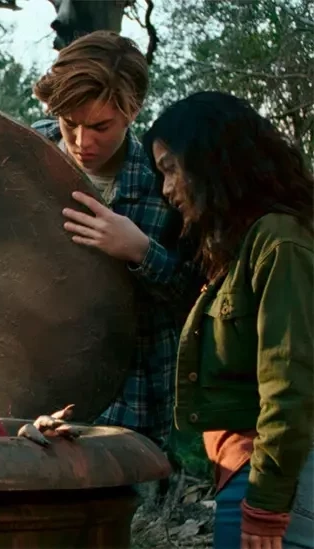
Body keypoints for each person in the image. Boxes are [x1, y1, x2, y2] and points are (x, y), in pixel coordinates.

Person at [142, 90, 314, 548]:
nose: (166, 190)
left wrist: (266, 505)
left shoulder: (280, 241)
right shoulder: (241, 247)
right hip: (247, 471)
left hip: (273, 477)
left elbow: (290, 381)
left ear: (212, 160)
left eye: (171, 169)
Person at [30, 30, 201, 450]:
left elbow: (199, 300)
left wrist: (140, 252)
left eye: (100, 126)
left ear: (132, 111)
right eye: (70, 123)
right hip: (29, 391)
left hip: (128, 407)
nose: (82, 142)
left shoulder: (165, 182)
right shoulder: (24, 153)